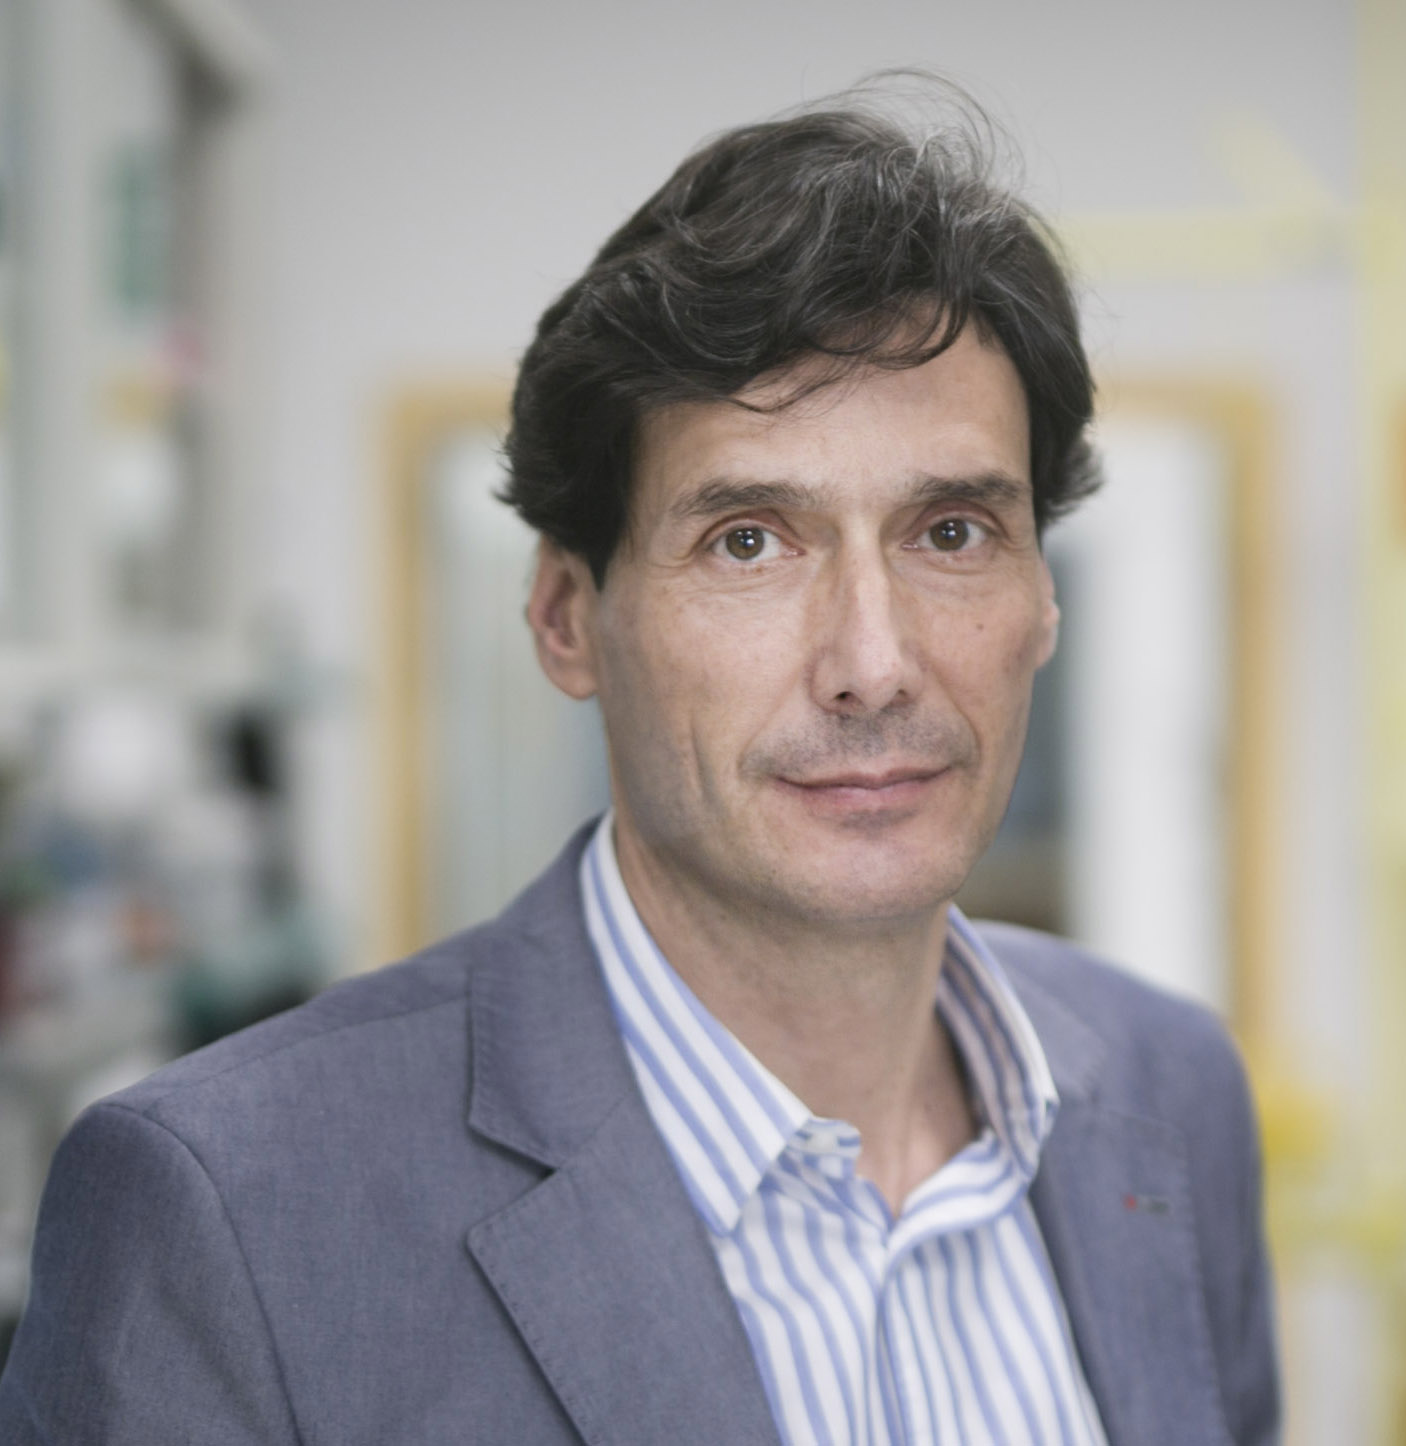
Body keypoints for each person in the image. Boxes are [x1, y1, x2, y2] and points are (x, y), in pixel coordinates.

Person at [0, 83, 1279, 1445]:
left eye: (951, 532)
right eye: (748, 540)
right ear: (567, 618)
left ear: (1042, 599)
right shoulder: (231, 1213)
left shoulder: (1169, 1095)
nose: (874, 662)